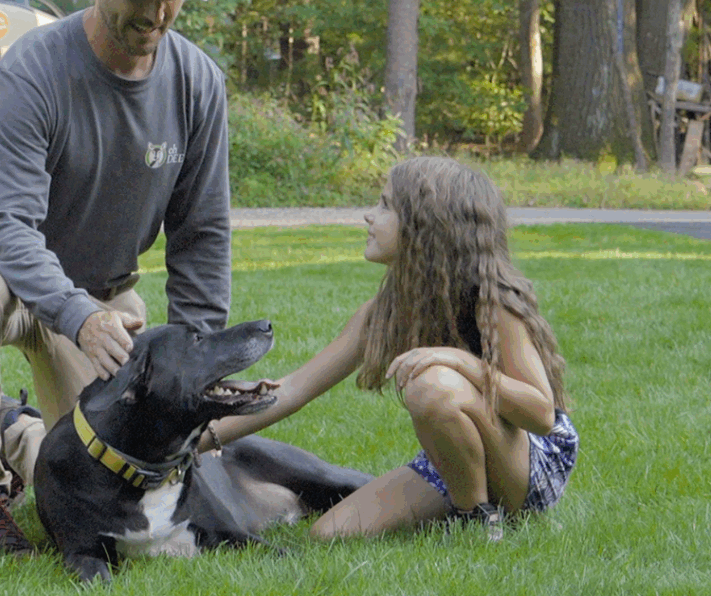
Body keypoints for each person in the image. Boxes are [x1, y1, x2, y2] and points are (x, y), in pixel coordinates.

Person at [0, 0, 232, 555]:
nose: (155, 15)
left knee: (92, 480)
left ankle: (18, 434)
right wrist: (75, 315)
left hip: (105, 288)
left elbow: (202, 233)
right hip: (2, 264)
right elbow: (8, 222)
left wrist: (197, 360)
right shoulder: (33, 70)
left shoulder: (198, 84)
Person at [207, 156, 577, 541]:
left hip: (534, 461)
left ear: (426, 227)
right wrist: (194, 440)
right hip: (453, 463)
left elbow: (541, 414)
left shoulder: (492, 301)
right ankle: (470, 498)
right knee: (329, 534)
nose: (369, 216)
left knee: (431, 383)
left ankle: (477, 519)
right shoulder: (383, 313)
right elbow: (294, 389)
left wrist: (461, 361)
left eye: (385, 206)